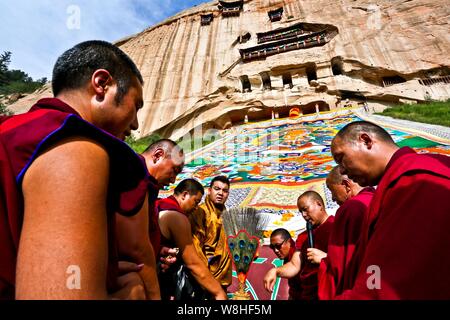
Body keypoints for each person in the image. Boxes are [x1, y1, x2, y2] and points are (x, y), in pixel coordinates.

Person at [0, 40, 150, 299]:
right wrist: (130, 294)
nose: (135, 124)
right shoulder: (76, 147)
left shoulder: (14, 130)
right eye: (136, 105)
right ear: (102, 84)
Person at [331, 120, 450, 299]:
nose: (342, 170)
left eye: (341, 159)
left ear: (366, 141)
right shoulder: (401, 179)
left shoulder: (415, 178)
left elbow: (390, 280)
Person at [115, 139, 185, 299]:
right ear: (158, 155)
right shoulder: (133, 173)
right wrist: (155, 295)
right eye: (174, 170)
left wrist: (157, 249)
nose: (173, 180)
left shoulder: (148, 185)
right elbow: (136, 247)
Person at [156, 179, 227, 300]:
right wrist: (218, 292)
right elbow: (193, 263)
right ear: (184, 195)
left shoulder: (159, 204)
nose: (196, 208)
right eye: (195, 202)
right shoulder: (176, 216)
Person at [313, 166, 375, 299]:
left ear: (346, 185)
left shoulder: (350, 209)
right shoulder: (379, 199)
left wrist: (324, 260)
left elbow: (340, 265)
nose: (333, 198)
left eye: (331, 190)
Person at [264, 191, 334, 300]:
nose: (304, 215)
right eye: (301, 211)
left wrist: (326, 258)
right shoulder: (303, 236)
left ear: (319, 204)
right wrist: (275, 271)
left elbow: (348, 261)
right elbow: (294, 265)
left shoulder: (336, 227)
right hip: (307, 294)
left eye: (305, 209)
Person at [189, 176, 232, 291]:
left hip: (222, 273)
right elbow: (195, 244)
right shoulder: (200, 211)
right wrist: (204, 271)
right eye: (217, 189)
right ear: (209, 190)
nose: (220, 193)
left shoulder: (227, 216)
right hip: (202, 273)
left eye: (225, 191)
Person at [263, 228, 306, 300]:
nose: (276, 250)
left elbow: (293, 265)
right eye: (272, 247)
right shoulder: (287, 256)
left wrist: (275, 271)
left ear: (289, 241)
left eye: (278, 246)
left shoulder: (299, 252)